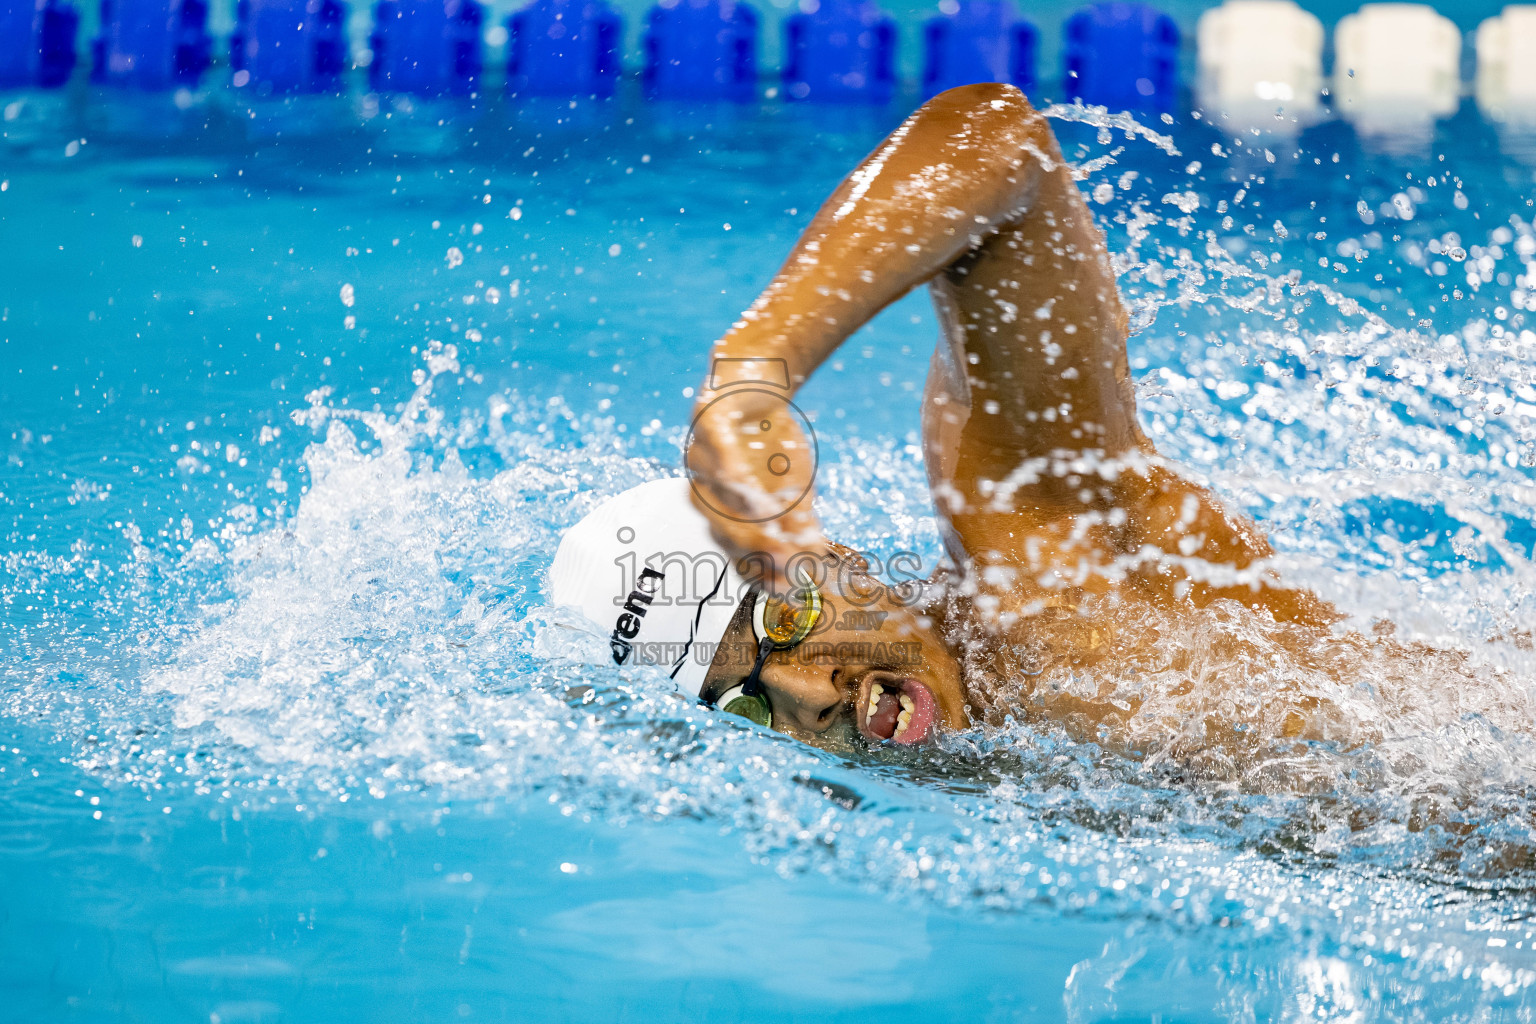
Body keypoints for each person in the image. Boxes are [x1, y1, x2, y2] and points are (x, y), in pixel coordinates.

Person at [550, 83, 1514, 763]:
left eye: (784, 620)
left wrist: (756, 366)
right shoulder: (974, 763)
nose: (810, 693)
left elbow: (999, 140)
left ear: (834, 557)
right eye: (747, 703)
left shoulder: (1035, 551)